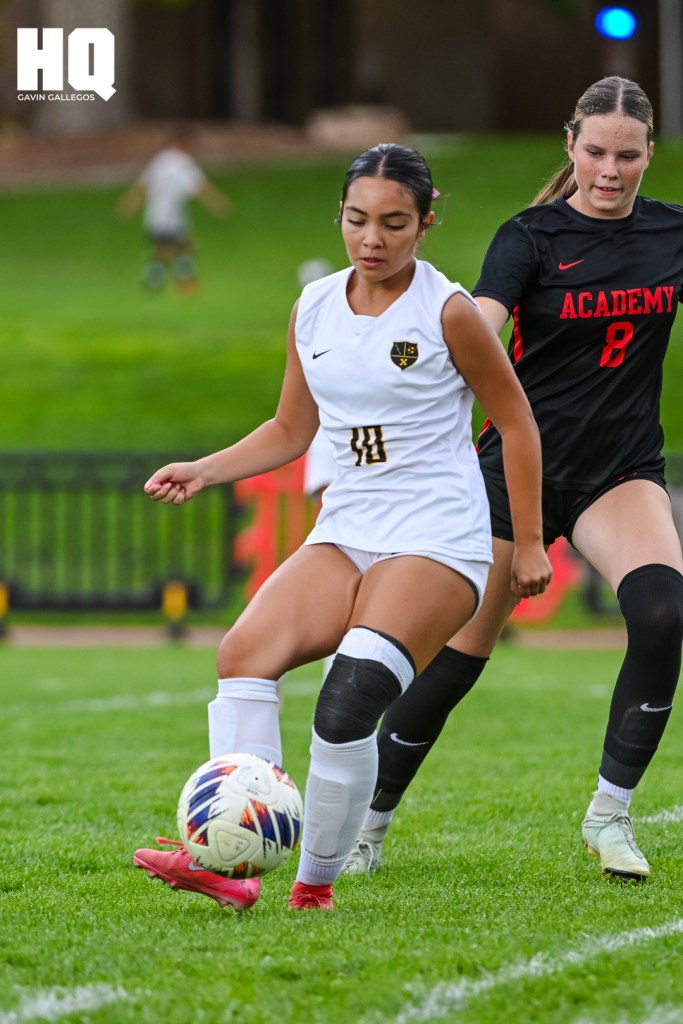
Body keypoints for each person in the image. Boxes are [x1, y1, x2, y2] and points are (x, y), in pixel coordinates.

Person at [133, 143, 551, 911]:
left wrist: (525, 541)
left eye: (394, 223)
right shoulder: (315, 305)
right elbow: (292, 428)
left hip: (436, 535)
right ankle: (236, 863)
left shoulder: (448, 311)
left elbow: (517, 423)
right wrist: (205, 468)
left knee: (348, 696)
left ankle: (313, 886)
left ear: (424, 224)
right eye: (357, 220)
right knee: (244, 652)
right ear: (341, 218)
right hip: (349, 524)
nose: (372, 239)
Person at [344, 77, 683, 884]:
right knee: (454, 660)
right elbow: (476, 333)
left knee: (664, 612)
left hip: (618, 471)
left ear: (647, 154)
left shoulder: (671, 233)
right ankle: (366, 825)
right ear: (570, 146)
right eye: (595, 152)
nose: (609, 169)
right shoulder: (528, 236)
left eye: (626, 156)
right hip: (512, 472)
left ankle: (609, 815)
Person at [117, 126, 230, 293]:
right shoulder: (183, 163)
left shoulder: (160, 160)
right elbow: (200, 187)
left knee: (164, 249)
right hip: (171, 216)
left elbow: (142, 185)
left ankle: (154, 280)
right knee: (185, 246)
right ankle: (183, 283)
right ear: (184, 144)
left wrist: (129, 203)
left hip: (155, 214)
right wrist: (218, 204)